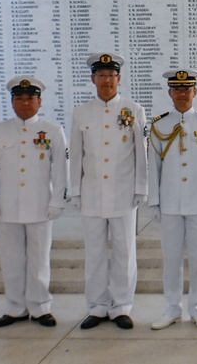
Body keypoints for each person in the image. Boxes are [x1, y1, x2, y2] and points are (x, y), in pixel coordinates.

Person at [0, 76, 68, 328]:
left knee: (39, 259)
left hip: (40, 205)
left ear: (39, 101)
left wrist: (57, 201)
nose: (25, 103)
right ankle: (15, 308)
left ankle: (41, 307)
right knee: (11, 259)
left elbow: (61, 169)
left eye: (30, 98)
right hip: (7, 206)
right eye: (19, 98)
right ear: (12, 101)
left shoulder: (52, 131)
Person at [68, 52, 148, 330]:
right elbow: (76, 155)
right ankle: (98, 307)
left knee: (125, 251)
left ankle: (122, 307)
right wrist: (75, 191)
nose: (106, 80)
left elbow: (141, 154)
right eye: (101, 75)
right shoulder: (81, 112)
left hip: (123, 193)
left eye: (111, 76)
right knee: (95, 252)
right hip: (91, 193)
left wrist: (140, 188)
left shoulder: (133, 110)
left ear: (119, 78)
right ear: (93, 79)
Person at [148, 69, 197, 331]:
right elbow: (153, 167)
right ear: (170, 93)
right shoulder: (159, 126)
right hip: (169, 203)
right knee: (171, 259)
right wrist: (154, 202)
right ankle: (171, 309)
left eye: (187, 89)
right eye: (177, 89)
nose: (182, 93)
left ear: (195, 91)